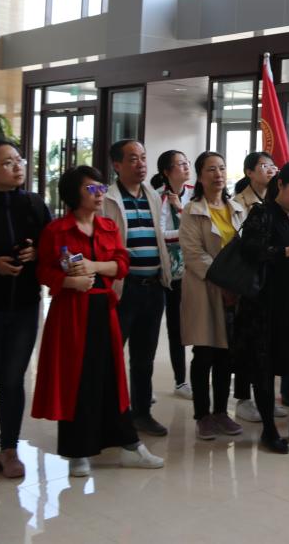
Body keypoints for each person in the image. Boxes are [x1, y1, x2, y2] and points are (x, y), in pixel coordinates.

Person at [32, 166, 164, 477]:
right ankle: (77, 451)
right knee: (76, 378)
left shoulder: (107, 226)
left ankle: (129, 445)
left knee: (111, 376)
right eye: (91, 189)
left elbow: (121, 263)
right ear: (74, 193)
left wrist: (94, 266)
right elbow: (43, 271)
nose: (99, 194)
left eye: (101, 188)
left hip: (104, 307)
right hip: (70, 312)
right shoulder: (57, 230)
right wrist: (68, 282)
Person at [0, 139, 51, 478]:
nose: (18, 167)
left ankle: (9, 448)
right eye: (7, 163)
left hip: (25, 306)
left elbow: (53, 246)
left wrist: (38, 253)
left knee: (13, 380)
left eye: (19, 160)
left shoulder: (34, 204)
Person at [234, 162, 289, 453]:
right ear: (280, 184)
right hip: (266, 305)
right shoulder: (262, 213)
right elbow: (249, 252)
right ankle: (269, 429)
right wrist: (285, 252)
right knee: (265, 367)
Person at [101, 139, 172, 437]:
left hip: (153, 288)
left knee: (144, 358)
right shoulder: (106, 199)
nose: (141, 163)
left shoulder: (153, 196)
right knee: (111, 356)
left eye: (143, 157)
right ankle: (109, 417)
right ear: (117, 165)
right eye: (133, 159)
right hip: (123, 289)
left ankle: (141, 413)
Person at [179, 151, 247, 441]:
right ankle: (202, 416)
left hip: (235, 292)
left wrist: (237, 284)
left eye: (221, 168)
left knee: (226, 355)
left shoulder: (237, 209)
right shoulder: (192, 210)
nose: (218, 174)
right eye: (211, 169)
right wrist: (224, 282)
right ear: (200, 176)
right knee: (204, 353)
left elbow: (246, 251)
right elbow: (194, 254)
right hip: (205, 290)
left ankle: (221, 412)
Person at [232, 151, 285, 423]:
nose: (271, 170)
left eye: (273, 166)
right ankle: (243, 398)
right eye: (264, 166)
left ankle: (264, 396)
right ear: (249, 172)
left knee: (266, 344)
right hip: (247, 279)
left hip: (271, 280)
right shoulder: (238, 203)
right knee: (246, 341)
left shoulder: (277, 201)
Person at [150, 149, 194, 399]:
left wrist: (182, 215)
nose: (186, 167)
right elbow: (159, 234)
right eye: (180, 164)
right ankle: (145, 386)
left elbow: (201, 228)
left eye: (187, 163)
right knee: (153, 329)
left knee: (180, 328)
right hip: (163, 270)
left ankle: (181, 381)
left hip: (189, 272)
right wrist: (185, 233)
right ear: (167, 171)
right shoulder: (157, 198)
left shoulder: (194, 194)